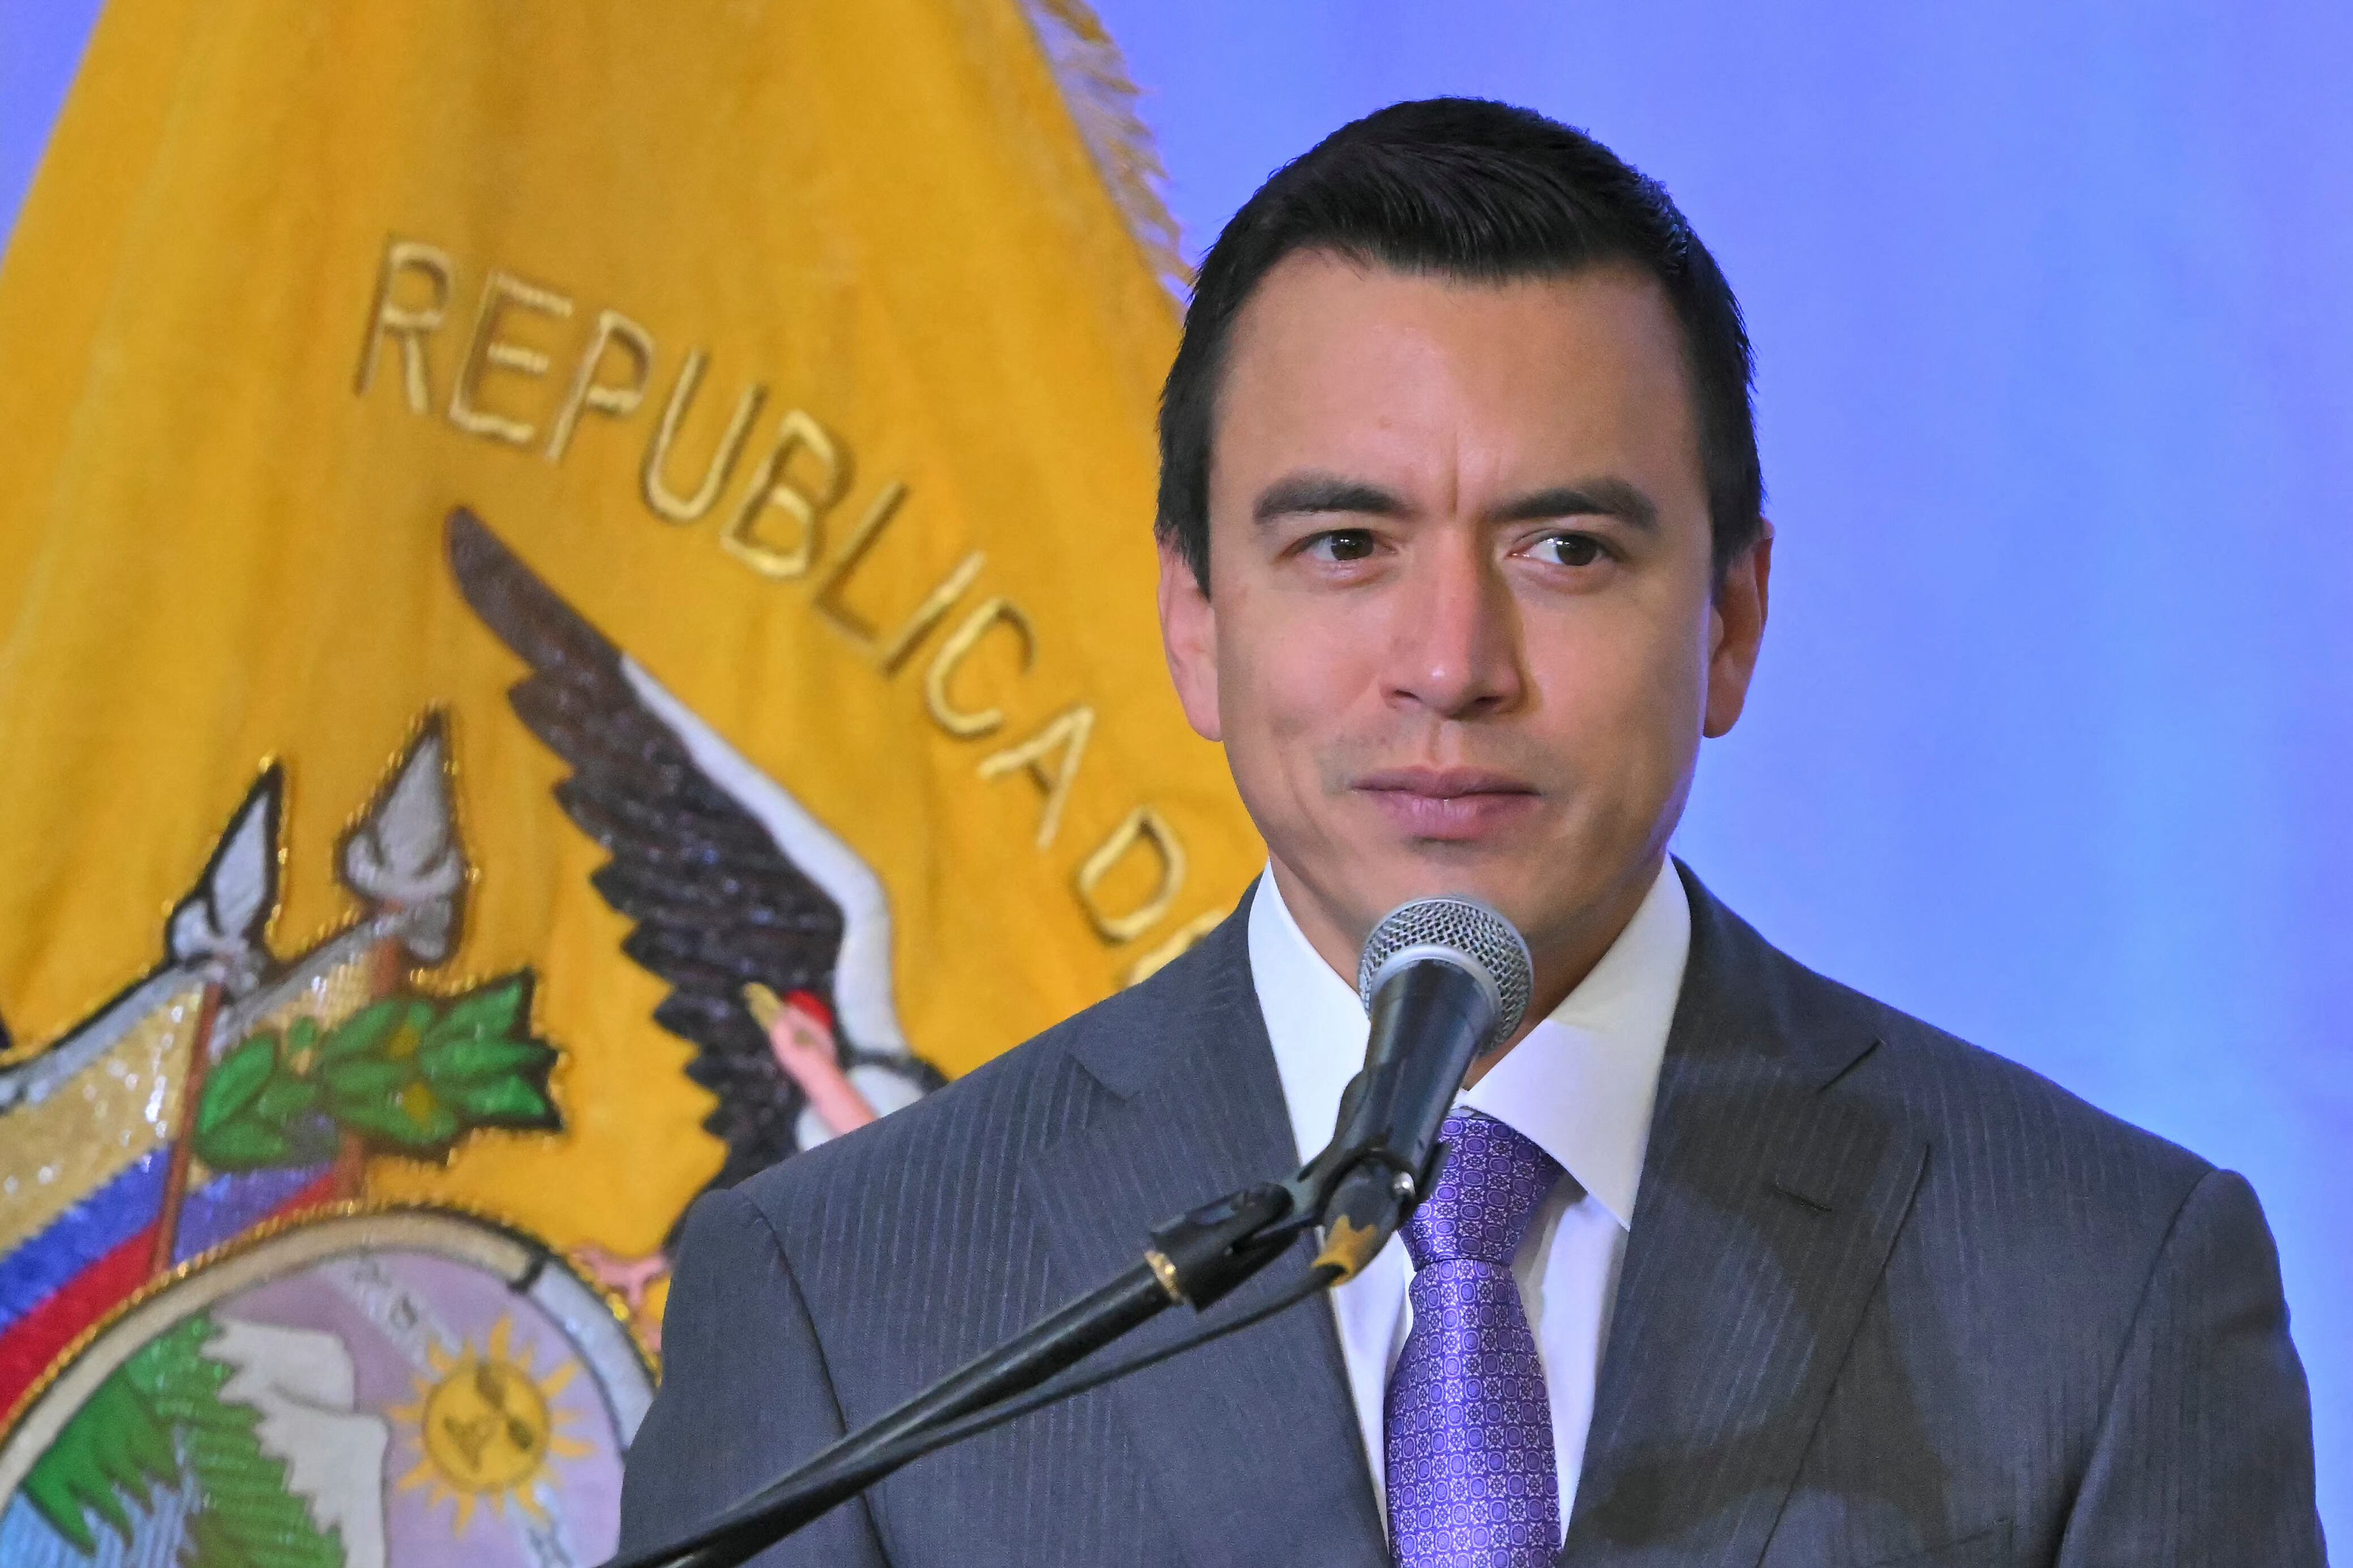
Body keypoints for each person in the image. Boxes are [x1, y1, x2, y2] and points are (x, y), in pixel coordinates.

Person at [618, 99, 2324, 1567]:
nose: (1451, 665)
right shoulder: (846, 1293)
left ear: (1732, 620)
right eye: (1347, 544)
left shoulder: (2102, 1289)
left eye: (1566, 548)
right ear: (1196, 621)